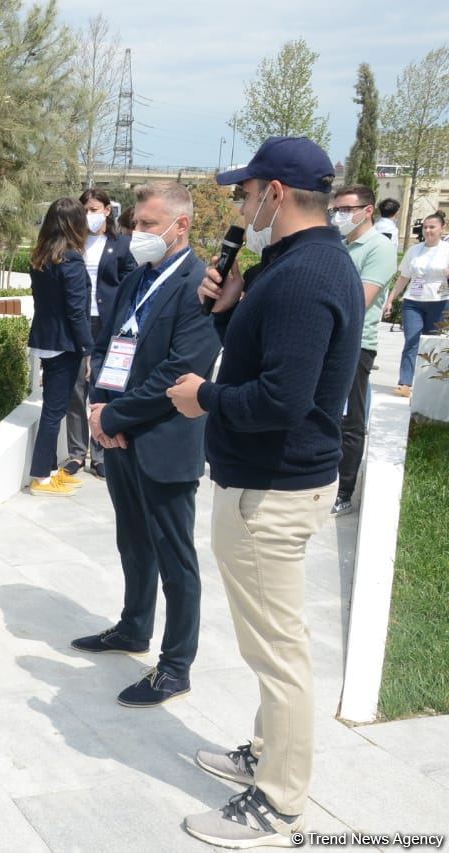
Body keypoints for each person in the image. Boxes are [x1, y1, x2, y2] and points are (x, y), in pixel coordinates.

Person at [167, 136, 362, 848]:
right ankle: (266, 749)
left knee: (279, 652)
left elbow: (282, 399)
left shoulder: (307, 276)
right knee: (270, 644)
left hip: (271, 492)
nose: (239, 204)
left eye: (246, 192)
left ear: (276, 193)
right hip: (269, 484)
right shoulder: (292, 266)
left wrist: (203, 397)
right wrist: (228, 310)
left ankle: (279, 800)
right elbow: (267, 355)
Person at [71, 181, 220, 708]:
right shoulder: (137, 277)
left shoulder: (202, 284)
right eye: (136, 223)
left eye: (150, 225)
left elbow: (178, 373)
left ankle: (175, 666)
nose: (138, 233)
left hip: (164, 441)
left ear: (180, 226)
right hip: (119, 436)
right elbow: (109, 346)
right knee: (133, 542)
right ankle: (134, 628)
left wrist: (114, 414)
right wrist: (98, 410)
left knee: (174, 556)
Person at [329, 185, 397, 517]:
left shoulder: (378, 248)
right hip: (327, 342)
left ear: (367, 210)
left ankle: (344, 490)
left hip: (354, 346)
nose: (339, 215)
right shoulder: (339, 244)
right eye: (336, 209)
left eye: (345, 209)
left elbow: (359, 301)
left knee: (349, 419)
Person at [64, 188, 135, 480]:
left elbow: (130, 282)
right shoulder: (73, 244)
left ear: (107, 210)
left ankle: (102, 453)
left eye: (94, 209)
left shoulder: (121, 245)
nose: (89, 215)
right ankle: (76, 453)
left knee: (103, 388)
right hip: (78, 322)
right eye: (85, 210)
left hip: (108, 324)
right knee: (76, 388)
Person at [26, 197, 93, 496]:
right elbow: (77, 312)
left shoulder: (41, 257)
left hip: (46, 341)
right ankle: (41, 477)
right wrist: (87, 349)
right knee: (54, 411)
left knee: (54, 409)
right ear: (75, 224)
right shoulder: (72, 260)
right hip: (65, 345)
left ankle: (51, 471)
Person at [384, 210, 448, 397]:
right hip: (413, 301)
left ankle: (428, 384)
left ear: (441, 228)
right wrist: (391, 300)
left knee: (432, 343)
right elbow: (404, 277)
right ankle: (405, 382)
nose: (428, 231)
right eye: (425, 227)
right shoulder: (414, 250)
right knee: (411, 340)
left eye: (432, 227)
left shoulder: (446, 249)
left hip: (440, 301)